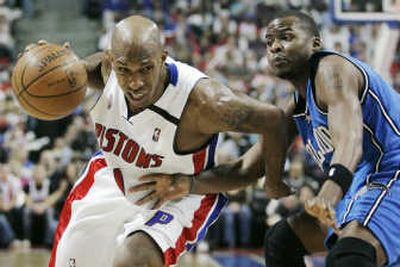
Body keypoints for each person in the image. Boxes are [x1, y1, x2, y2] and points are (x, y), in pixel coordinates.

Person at [132, 11, 400, 267]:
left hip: (391, 174)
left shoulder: (331, 69)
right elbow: (246, 169)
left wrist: (328, 193)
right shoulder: (295, 108)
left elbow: (350, 144)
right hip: (360, 187)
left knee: (349, 257)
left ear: (315, 43)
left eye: (285, 37)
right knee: (282, 240)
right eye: (269, 41)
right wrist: (185, 184)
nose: (275, 47)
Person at [22, 15, 289, 267]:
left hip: (180, 194)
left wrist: (273, 182)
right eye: (124, 69)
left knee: (134, 258)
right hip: (114, 179)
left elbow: (274, 120)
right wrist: (49, 63)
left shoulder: (206, 103)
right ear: (111, 60)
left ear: (163, 58)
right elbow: (65, 73)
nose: (135, 82)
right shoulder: (104, 70)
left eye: (146, 69)